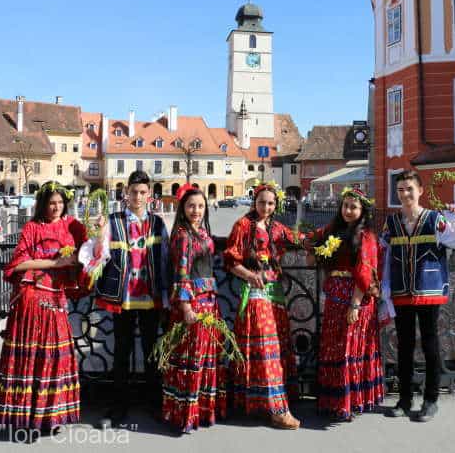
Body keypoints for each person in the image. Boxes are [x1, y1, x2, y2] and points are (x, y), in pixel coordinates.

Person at [0, 181, 87, 433]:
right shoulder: (32, 228)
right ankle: (26, 416)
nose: (56, 207)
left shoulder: (72, 227)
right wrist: (56, 263)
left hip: (56, 300)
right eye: (51, 203)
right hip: (32, 301)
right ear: (42, 204)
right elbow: (16, 265)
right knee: (31, 358)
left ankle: (50, 416)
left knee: (55, 358)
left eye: (60, 202)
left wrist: (85, 259)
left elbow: (86, 256)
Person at [381, 170, 455, 422]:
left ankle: (431, 399)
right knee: (404, 347)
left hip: (429, 289)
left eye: (409, 188)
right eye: (400, 190)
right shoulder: (391, 223)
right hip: (401, 291)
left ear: (420, 191)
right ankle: (405, 398)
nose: (405, 194)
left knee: (431, 346)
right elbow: (381, 252)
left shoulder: (436, 219)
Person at [86, 170, 170, 427]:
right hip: (122, 297)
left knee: (151, 352)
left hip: (150, 297)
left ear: (149, 195)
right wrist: (99, 233)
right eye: (134, 192)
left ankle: (154, 402)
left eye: (143, 192)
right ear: (126, 194)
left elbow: (165, 259)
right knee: (121, 352)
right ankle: (118, 406)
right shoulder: (112, 221)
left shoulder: (157, 223)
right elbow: (98, 256)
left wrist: (166, 297)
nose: (138, 196)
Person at [223, 182, 302, 430]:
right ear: (254, 202)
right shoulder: (243, 226)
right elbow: (230, 260)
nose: (265, 207)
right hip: (255, 292)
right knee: (266, 349)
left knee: (276, 349)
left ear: (275, 205)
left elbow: (299, 240)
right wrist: (249, 275)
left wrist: (329, 240)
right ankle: (278, 409)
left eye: (270, 203)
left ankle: (261, 403)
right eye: (261, 202)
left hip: (275, 292)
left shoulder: (277, 228)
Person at [308, 188, 384, 421]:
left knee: (350, 348)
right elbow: (311, 242)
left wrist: (355, 304)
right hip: (334, 296)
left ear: (362, 211)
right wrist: (311, 247)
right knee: (335, 346)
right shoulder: (332, 231)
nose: (348, 211)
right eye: (345, 206)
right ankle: (332, 400)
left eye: (354, 207)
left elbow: (364, 272)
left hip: (355, 297)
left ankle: (348, 403)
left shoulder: (366, 237)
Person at [161, 184, 227, 432]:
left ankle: (200, 411)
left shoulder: (200, 232)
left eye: (200, 206)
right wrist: (187, 307)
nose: (196, 210)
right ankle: (185, 414)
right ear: (183, 208)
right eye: (191, 206)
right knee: (192, 357)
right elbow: (182, 273)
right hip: (194, 304)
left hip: (209, 301)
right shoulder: (182, 235)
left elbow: (212, 246)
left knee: (204, 356)